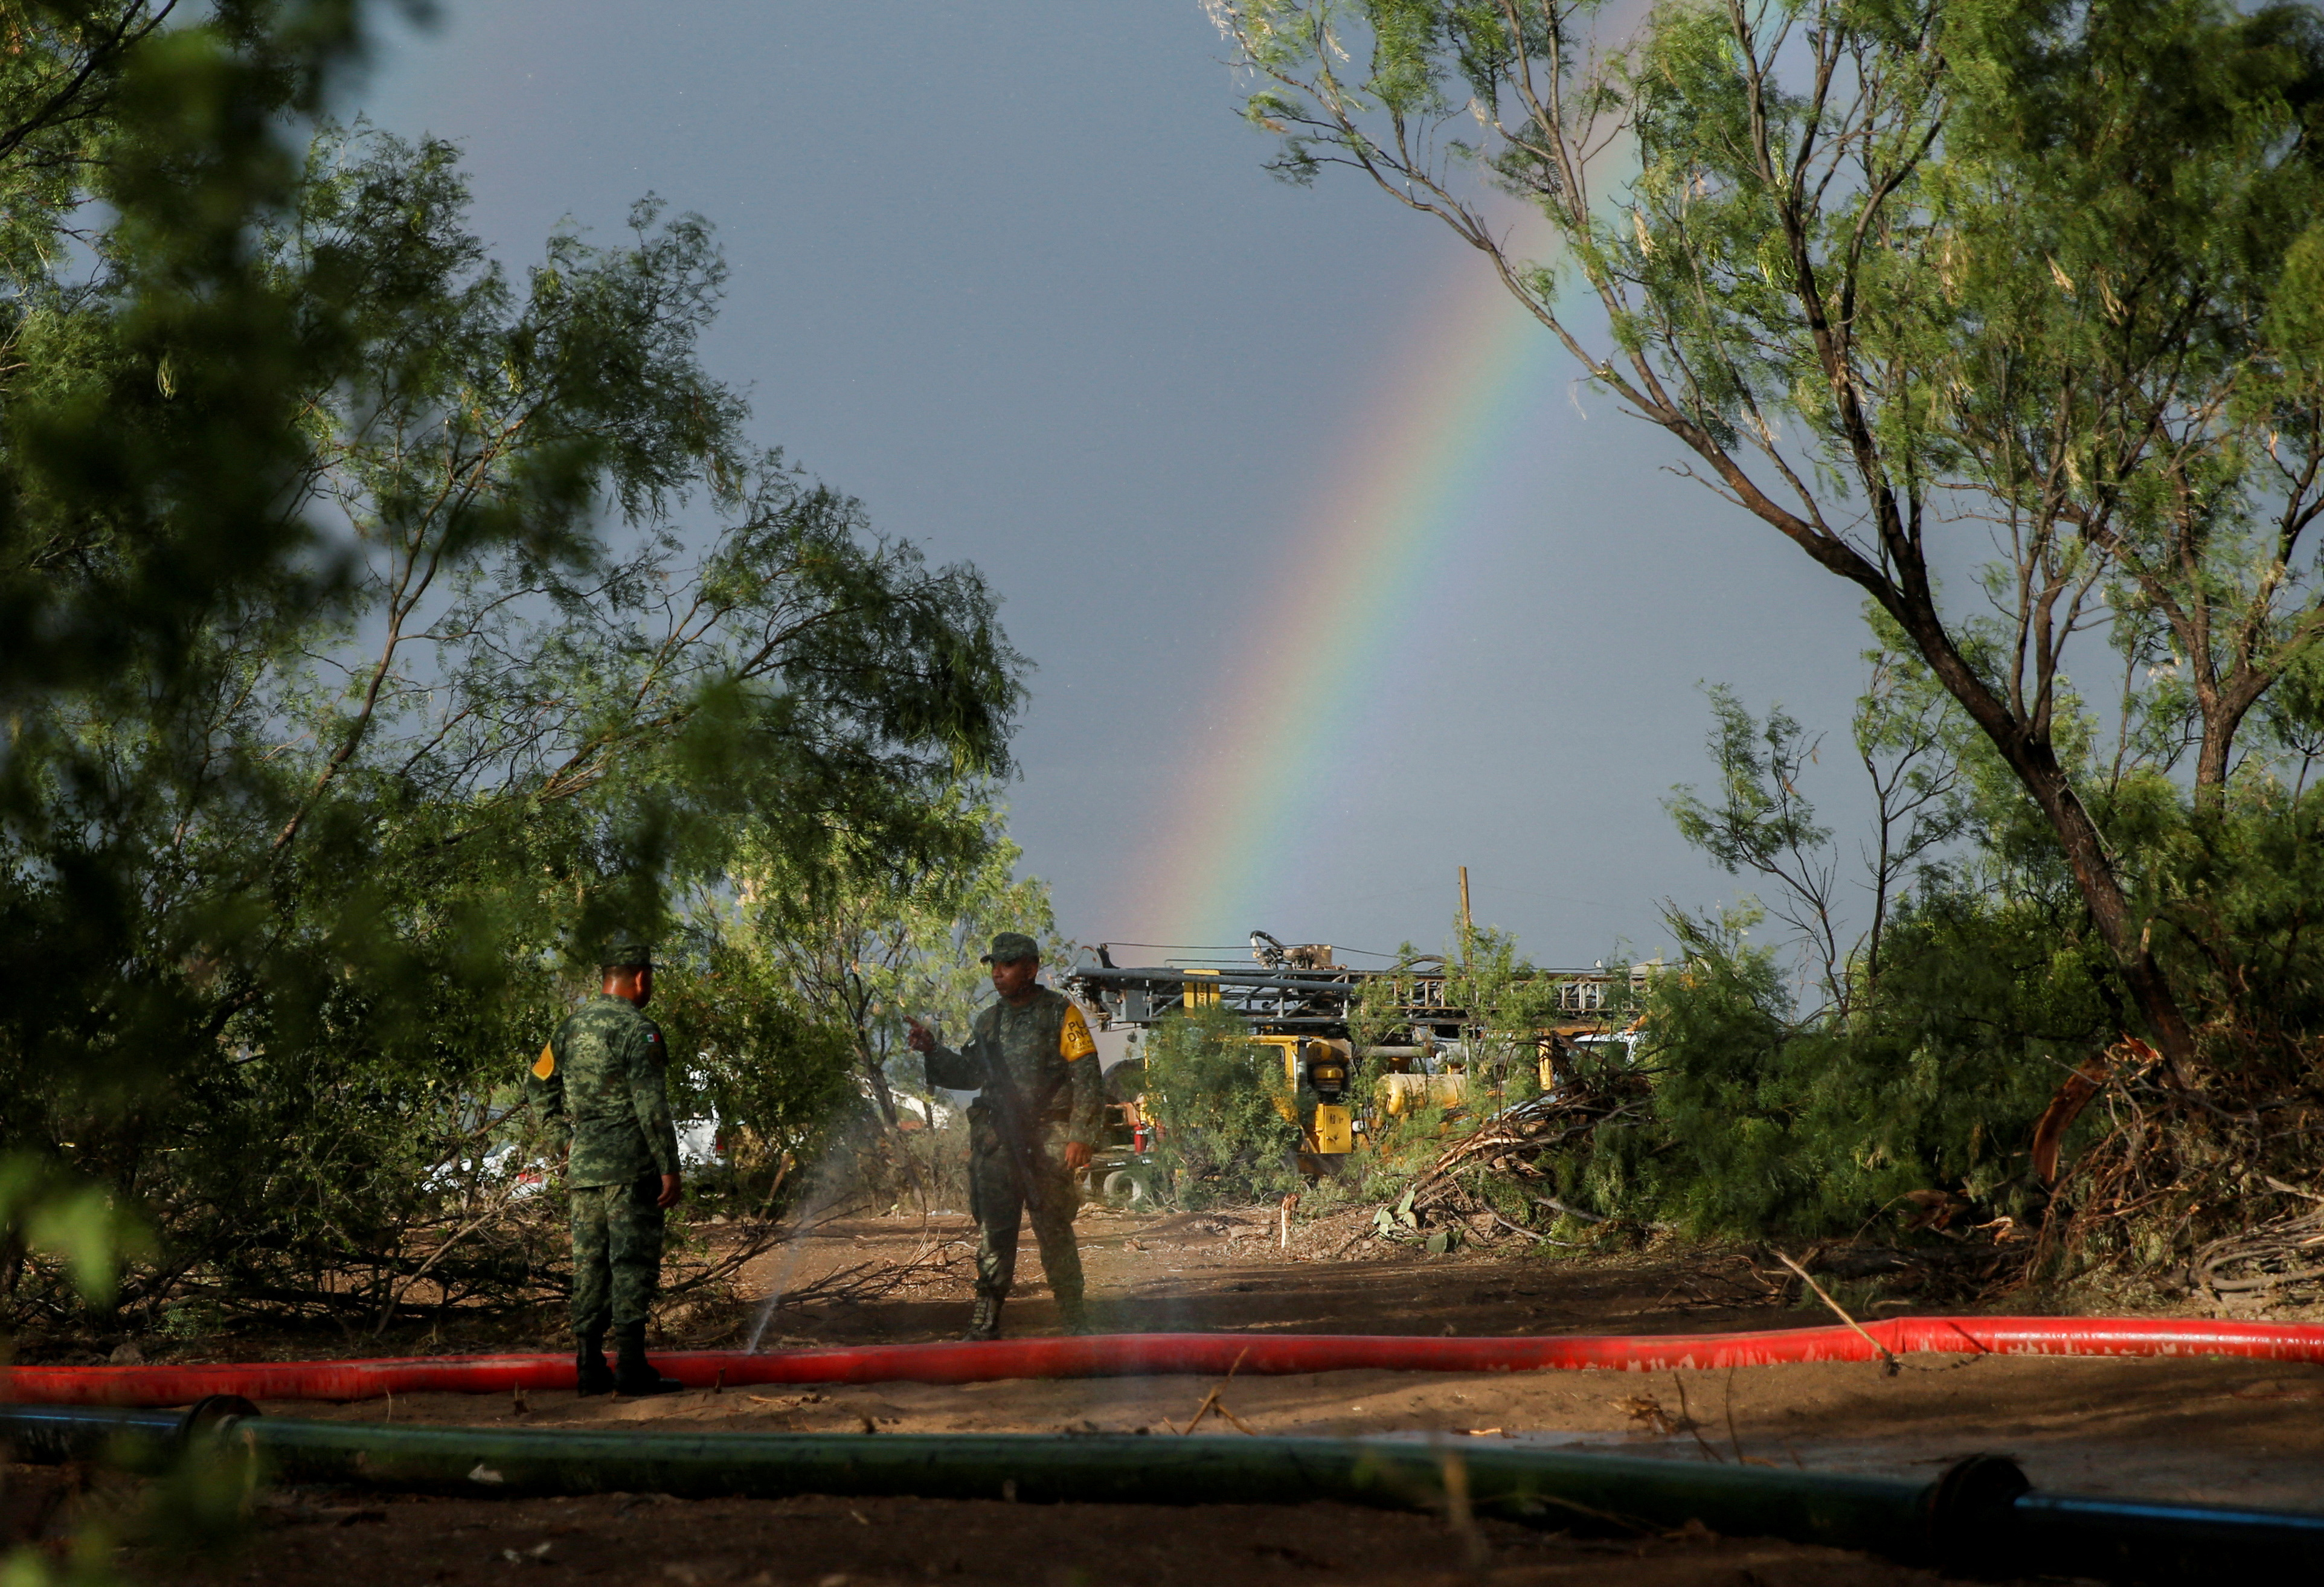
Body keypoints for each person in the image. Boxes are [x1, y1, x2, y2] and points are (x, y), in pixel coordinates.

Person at [907, 931, 1102, 1340]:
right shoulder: (988, 1021)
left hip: (1048, 1138)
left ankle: (1075, 1320)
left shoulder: (1061, 1014)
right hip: (998, 1140)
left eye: (1008, 965)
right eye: (994, 965)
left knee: (1054, 1230)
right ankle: (986, 1322)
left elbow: (1087, 1076)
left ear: (1030, 969)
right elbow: (970, 1074)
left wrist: (1081, 1134)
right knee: (994, 1233)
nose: (998, 973)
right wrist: (932, 1050)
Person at [526, 937, 684, 1396]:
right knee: (631, 1264)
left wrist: (564, 1140)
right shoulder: (640, 1030)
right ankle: (631, 1368)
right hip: (631, 1169)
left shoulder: (569, 1028)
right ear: (641, 978)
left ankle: (589, 1368)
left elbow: (537, 1085)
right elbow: (651, 1105)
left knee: (590, 1266)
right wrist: (669, 1167)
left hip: (585, 1170)